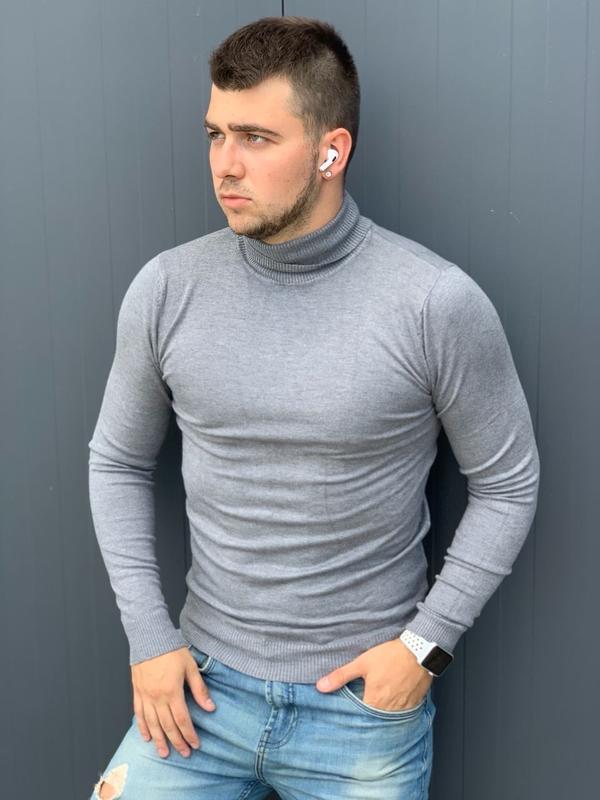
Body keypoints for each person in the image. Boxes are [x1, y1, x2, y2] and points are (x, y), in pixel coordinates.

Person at [87, 15, 540, 800]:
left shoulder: (433, 303)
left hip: (360, 712)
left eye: (257, 138)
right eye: (215, 134)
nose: (226, 164)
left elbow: (509, 484)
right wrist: (148, 639)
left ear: (333, 151)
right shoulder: (167, 289)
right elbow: (117, 461)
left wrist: (426, 648)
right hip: (195, 693)